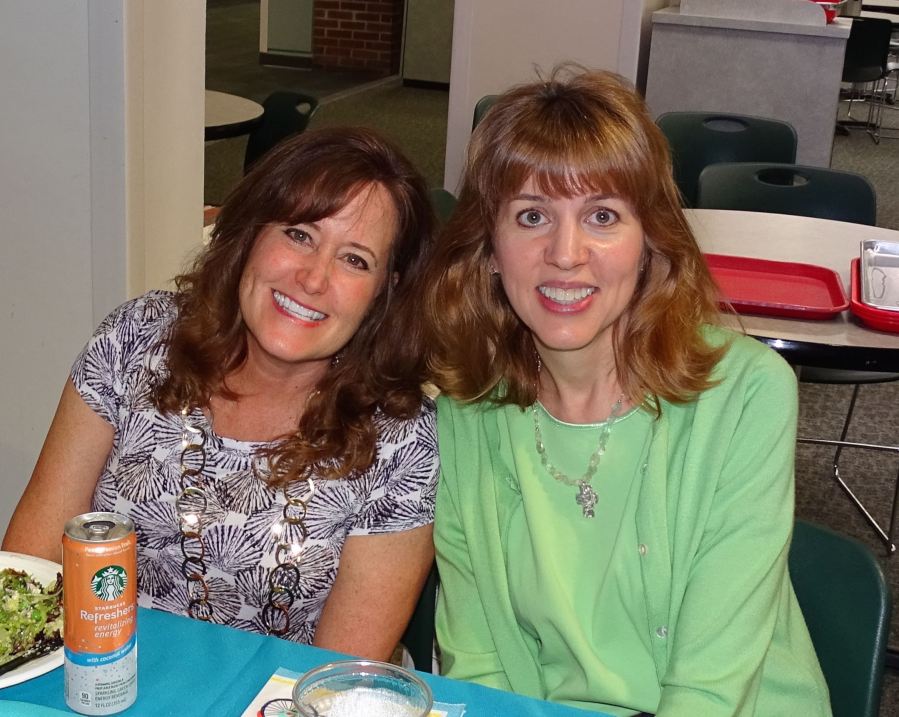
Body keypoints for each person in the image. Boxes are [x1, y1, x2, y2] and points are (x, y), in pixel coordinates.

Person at [419, 67, 831, 716]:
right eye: (532, 216)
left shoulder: (746, 394)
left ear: (648, 241)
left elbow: (709, 692)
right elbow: (480, 665)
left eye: (602, 216)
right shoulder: (463, 411)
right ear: (490, 249)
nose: (565, 253)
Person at [3, 127, 439, 659]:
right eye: (299, 234)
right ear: (251, 232)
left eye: (355, 260)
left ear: (385, 292)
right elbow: (31, 571)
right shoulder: (137, 340)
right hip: (93, 679)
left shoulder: (401, 441)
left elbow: (335, 677)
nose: (313, 278)